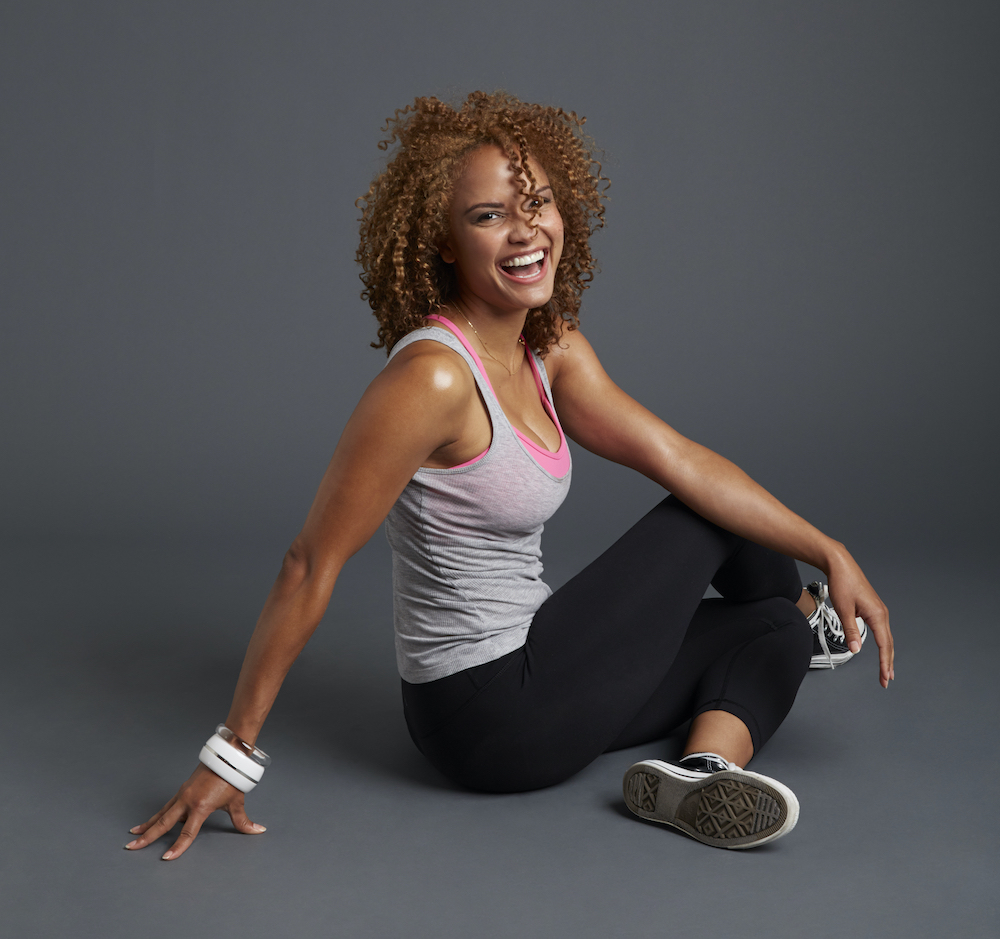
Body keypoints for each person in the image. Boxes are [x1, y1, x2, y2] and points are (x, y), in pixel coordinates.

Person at [125, 91, 893, 858]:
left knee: (773, 633)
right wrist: (231, 751)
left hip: (549, 687)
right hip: (482, 709)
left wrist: (829, 545)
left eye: (539, 203)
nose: (527, 231)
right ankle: (809, 602)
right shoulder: (432, 380)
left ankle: (704, 769)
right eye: (489, 215)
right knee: (707, 514)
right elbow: (309, 563)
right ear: (444, 241)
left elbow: (675, 451)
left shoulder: (550, 349)